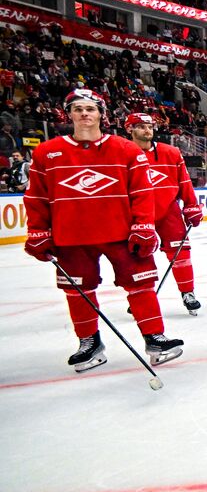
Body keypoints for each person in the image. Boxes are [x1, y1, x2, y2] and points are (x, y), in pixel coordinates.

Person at [24, 89, 183, 372]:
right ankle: (89, 342)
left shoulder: (126, 149)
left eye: (90, 108)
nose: (85, 113)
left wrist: (143, 226)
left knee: (142, 284)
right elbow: (36, 197)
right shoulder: (47, 153)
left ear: (101, 114)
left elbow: (142, 192)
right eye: (78, 108)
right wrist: (38, 232)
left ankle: (155, 338)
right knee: (77, 291)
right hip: (71, 236)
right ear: (68, 114)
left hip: (122, 234)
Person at [124, 112, 204, 313]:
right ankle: (140, 297)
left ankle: (188, 293)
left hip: (168, 210)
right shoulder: (121, 154)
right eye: (141, 126)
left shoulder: (170, 153)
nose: (147, 130)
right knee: (137, 255)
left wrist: (191, 206)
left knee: (181, 252)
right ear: (129, 129)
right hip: (135, 213)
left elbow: (184, 181)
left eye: (149, 126)